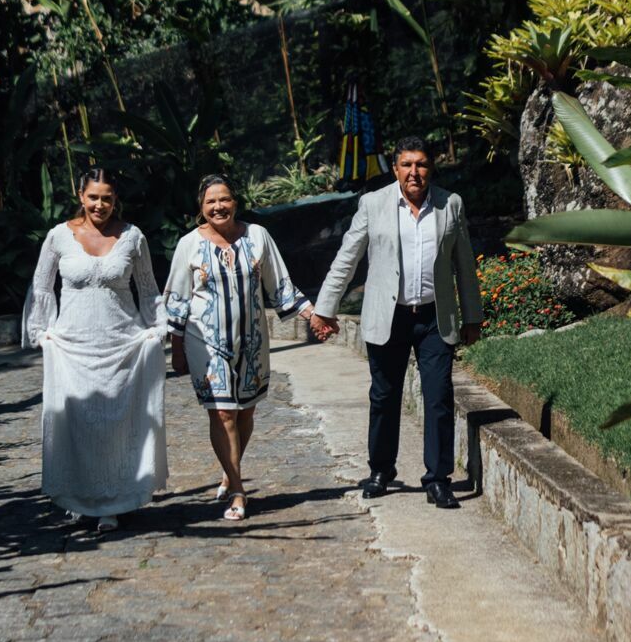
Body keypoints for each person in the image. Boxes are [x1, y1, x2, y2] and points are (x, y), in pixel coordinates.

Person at [311, 136, 482, 510]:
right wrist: (325, 308)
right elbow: (347, 258)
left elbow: (464, 266)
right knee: (384, 395)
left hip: (434, 317)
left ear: (430, 168)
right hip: (389, 316)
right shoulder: (373, 205)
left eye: (421, 164)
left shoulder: (450, 204)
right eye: (407, 165)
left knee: (439, 397)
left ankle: (437, 479)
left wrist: (472, 316)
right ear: (395, 169)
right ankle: (381, 470)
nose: (414, 172)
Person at [162, 174, 334, 523]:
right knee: (223, 412)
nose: (218, 207)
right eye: (211, 201)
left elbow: (280, 285)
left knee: (245, 413)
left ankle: (229, 470)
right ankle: (239, 490)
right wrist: (177, 347)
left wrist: (313, 314)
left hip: (252, 341)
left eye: (224, 199)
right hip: (206, 343)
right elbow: (177, 299)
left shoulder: (257, 236)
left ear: (235, 202)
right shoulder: (189, 245)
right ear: (201, 207)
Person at [23, 166, 167, 532]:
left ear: (115, 199)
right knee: (77, 422)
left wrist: (157, 328)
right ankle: (79, 497)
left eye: (106, 197)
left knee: (116, 424)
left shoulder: (132, 236)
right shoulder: (59, 236)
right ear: (80, 196)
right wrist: (42, 331)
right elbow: (43, 284)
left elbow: (148, 289)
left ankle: (114, 502)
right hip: (73, 345)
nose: (99, 204)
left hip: (121, 344)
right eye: (93, 197)